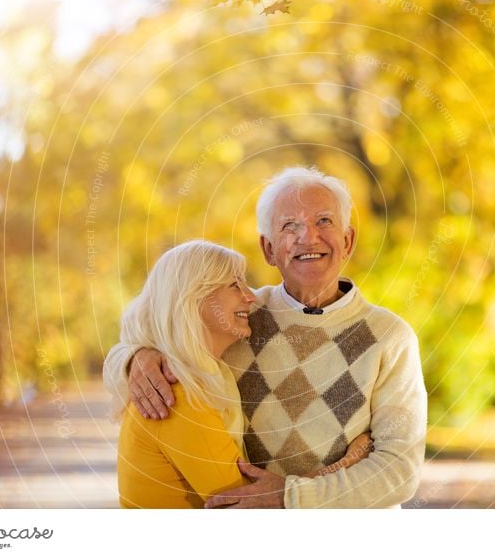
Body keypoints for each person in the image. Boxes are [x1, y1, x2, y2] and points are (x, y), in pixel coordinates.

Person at [105, 167, 427, 508]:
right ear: (268, 248)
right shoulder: (238, 318)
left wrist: (292, 498)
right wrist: (134, 357)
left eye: (324, 221)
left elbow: (400, 470)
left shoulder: (391, 338)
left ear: (347, 241)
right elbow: (163, 325)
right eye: (290, 225)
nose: (308, 237)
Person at [115, 240, 372, 508]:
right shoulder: (177, 394)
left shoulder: (205, 376)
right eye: (234, 285)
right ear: (194, 298)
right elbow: (245, 505)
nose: (250, 297)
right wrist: (345, 464)